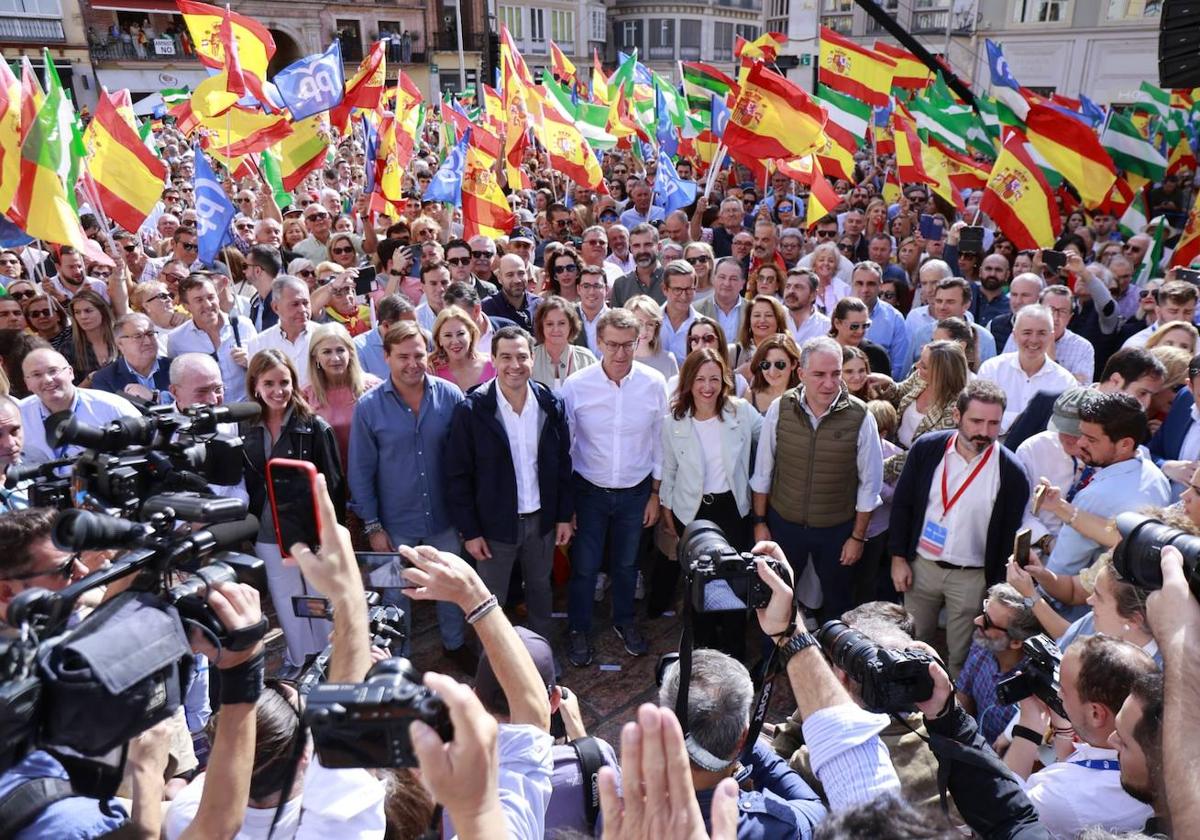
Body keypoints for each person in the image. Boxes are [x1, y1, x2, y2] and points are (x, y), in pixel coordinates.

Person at [348, 321, 471, 666]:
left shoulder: (450, 396)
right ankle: (395, 658)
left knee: (450, 588)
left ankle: (455, 645)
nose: (412, 363)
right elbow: (360, 471)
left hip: (445, 520)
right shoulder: (369, 407)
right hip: (393, 524)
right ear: (386, 357)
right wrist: (373, 527)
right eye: (403, 356)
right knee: (393, 596)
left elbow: (464, 462)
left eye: (418, 354)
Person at [888, 380, 1030, 675]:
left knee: (960, 651)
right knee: (913, 640)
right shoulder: (927, 449)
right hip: (921, 567)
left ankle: (950, 706)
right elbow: (903, 505)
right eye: (976, 421)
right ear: (957, 416)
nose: (985, 431)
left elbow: (1008, 534)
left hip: (972, 577)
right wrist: (898, 557)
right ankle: (912, 696)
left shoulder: (1012, 472)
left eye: (994, 423)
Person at [445, 326, 574, 643]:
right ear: (493, 360)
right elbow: (457, 475)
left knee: (541, 592)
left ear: (533, 358)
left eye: (521, 357)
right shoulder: (472, 409)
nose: (514, 365)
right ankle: (489, 666)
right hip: (493, 527)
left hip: (541, 521)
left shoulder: (549, 404)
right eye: (505, 357)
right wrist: (471, 532)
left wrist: (562, 516)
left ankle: (540, 658)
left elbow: (562, 464)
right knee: (490, 601)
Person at [560, 308, 667, 666]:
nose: (620, 354)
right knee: (585, 566)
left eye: (627, 345)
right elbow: (567, 446)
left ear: (639, 341)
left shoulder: (654, 384)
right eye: (612, 345)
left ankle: (624, 621)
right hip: (589, 490)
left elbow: (659, 441)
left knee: (626, 564)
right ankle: (578, 628)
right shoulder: (576, 387)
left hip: (636, 491)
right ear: (598, 342)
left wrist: (655, 492)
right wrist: (568, 503)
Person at [751, 336, 883, 621]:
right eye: (819, 375)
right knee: (777, 597)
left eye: (836, 374)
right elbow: (763, 471)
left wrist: (857, 537)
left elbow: (869, 486)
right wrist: (760, 523)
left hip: (836, 530)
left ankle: (835, 661)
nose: (829, 383)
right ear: (801, 374)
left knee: (838, 603)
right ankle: (774, 658)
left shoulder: (861, 416)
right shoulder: (780, 408)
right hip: (784, 526)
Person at [240, 348, 343, 673]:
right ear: (255, 384)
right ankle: (301, 658)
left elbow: (334, 485)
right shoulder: (245, 426)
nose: (277, 391)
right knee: (286, 598)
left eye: (284, 382)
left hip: (309, 530)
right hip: (268, 532)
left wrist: (329, 535)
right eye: (269, 383)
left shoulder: (313, 426)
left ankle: (329, 660)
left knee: (319, 596)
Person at [658, 347, 762, 656]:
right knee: (699, 586)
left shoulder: (741, 412)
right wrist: (667, 512)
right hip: (691, 511)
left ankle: (733, 652)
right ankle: (703, 652)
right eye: (700, 379)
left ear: (724, 380)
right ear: (688, 381)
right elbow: (669, 470)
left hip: (732, 510)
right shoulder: (674, 421)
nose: (707, 387)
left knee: (732, 584)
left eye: (714, 379)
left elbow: (770, 435)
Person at [1004, 635, 1157, 838]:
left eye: (1064, 691)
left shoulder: (1062, 795)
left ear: (1096, 714)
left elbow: (1002, 808)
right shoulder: (1159, 763)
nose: (1057, 695)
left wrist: (1029, 725)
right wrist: (1065, 732)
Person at [1040, 392, 1170, 609]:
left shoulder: (1096, 496)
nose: (1080, 443)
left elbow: (1061, 569)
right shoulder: (1154, 474)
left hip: (1079, 614)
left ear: (1125, 445)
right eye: (1081, 434)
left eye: (1091, 439)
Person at [1004, 346, 1166, 451]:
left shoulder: (1138, 431)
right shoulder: (1048, 402)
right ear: (1116, 380)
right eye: (1142, 393)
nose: (1146, 404)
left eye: (1152, 395)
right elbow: (1010, 453)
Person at [954, 584, 1043, 745]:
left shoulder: (1033, 687)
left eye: (987, 622)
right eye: (984, 611)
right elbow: (963, 696)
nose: (977, 621)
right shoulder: (982, 644)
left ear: (1016, 642)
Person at [18, 346, 139, 464]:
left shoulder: (111, 407)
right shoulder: (18, 416)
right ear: (27, 383)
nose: (47, 380)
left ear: (70, 372)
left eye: (53, 371)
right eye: (36, 375)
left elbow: (145, 451)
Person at [977, 305, 1076, 434]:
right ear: (1014, 335)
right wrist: (1023, 421)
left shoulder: (1065, 381)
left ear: (1051, 336)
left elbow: (1062, 429)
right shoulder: (992, 369)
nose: (1034, 340)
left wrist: (1008, 419)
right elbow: (981, 414)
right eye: (1027, 333)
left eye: (1041, 333)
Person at [301, 322, 381, 468]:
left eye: (340, 350)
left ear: (350, 352)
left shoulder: (374, 388)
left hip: (371, 473)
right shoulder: (306, 395)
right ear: (315, 356)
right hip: (329, 477)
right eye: (326, 352)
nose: (335, 358)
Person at [168, 274, 257, 402]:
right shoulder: (177, 340)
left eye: (211, 297)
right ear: (186, 306)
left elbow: (264, 369)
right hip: (209, 414)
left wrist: (251, 362)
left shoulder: (243, 325)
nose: (208, 304)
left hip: (246, 411)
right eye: (199, 300)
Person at [245, 275, 314, 389]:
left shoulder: (325, 337)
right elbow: (256, 387)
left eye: (305, 303)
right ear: (276, 307)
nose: (302, 310)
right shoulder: (259, 344)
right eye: (295, 304)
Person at [90, 312, 172, 405]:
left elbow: (188, 403)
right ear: (120, 344)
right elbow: (110, 414)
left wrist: (156, 397)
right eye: (138, 336)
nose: (148, 341)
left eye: (150, 334)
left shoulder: (175, 367)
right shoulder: (105, 379)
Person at [853, 261, 909, 380]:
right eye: (859, 283)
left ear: (880, 285)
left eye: (871, 284)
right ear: (852, 284)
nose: (864, 289)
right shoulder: (838, 313)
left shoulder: (895, 319)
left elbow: (899, 367)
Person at [531, 296, 596, 391]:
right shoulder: (530, 359)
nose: (556, 329)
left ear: (571, 325)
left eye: (561, 323)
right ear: (541, 327)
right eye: (549, 324)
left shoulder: (586, 359)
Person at [430, 305, 495, 391]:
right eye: (448, 335)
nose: (455, 341)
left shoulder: (493, 365)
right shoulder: (432, 371)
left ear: (471, 335)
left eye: (460, 334)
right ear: (439, 340)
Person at [352, 293, 413, 380]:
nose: (412, 330)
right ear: (386, 325)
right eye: (406, 326)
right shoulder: (359, 349)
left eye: (415, 324)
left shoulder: (422, 338)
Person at [1123, 279, 1198, 349]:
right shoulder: (1137, 346)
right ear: (1158, 311)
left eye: (1188, 312)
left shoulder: (1198, 346)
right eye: (1173, 311)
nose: (1180, 319)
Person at [828, 297, 891, 376]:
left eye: (865, 325)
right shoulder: (822, 352)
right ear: (837, 323)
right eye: (854, 326)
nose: (860, 331)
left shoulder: (877, 355)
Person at [625, 295, 679, 380]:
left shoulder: (668, 360)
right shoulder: (619, 360)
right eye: (639, 323)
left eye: (650, 324)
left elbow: (674, 392)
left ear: (656, 328)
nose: (644, 330)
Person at [483, 254, 540, 333]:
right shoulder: (487, 307)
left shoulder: (539, 305)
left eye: (521, 273)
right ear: (499, 278)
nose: (517, 280)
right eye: (510, 275)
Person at [745, 334, 801, 415]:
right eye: (766, 364)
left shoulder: (804, 398)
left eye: (780, 364)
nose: (772, 372)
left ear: (793, 364)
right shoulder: (750, 395)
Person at [611, 223, 665, 307]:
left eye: (648, 245)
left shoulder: (672, 280)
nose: (642, 251)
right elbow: (616, 319)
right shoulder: (621, 284)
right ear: (631, 249)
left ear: (659, 247)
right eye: (636, 246)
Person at [658, 260, 701, 363]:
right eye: (677, 290)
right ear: (664, 289)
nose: (683, 296)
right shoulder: (649, 322)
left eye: (689, 289)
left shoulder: (703, 326)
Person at [696, 256, 748, 341]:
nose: (727, 283)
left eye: (733, 279)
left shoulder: (752, 310)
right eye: (722, 277)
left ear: (742, 284)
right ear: (713, 279)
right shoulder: (696, 309)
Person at [780, 267, 832, 348]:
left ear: (813, 295)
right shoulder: (775, 317)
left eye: (798, 287)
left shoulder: (825, 326)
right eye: (788, 286)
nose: (790, 291)